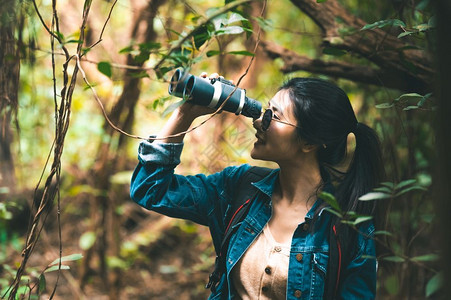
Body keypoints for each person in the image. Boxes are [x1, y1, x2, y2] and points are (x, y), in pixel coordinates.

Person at [130, 73, 385, 299]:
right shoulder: (239, 188)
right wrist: (186, 112)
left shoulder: (350, 229)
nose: (257, 122)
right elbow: (151, 190)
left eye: (273, 116)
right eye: (265, 111)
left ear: (309, 142)